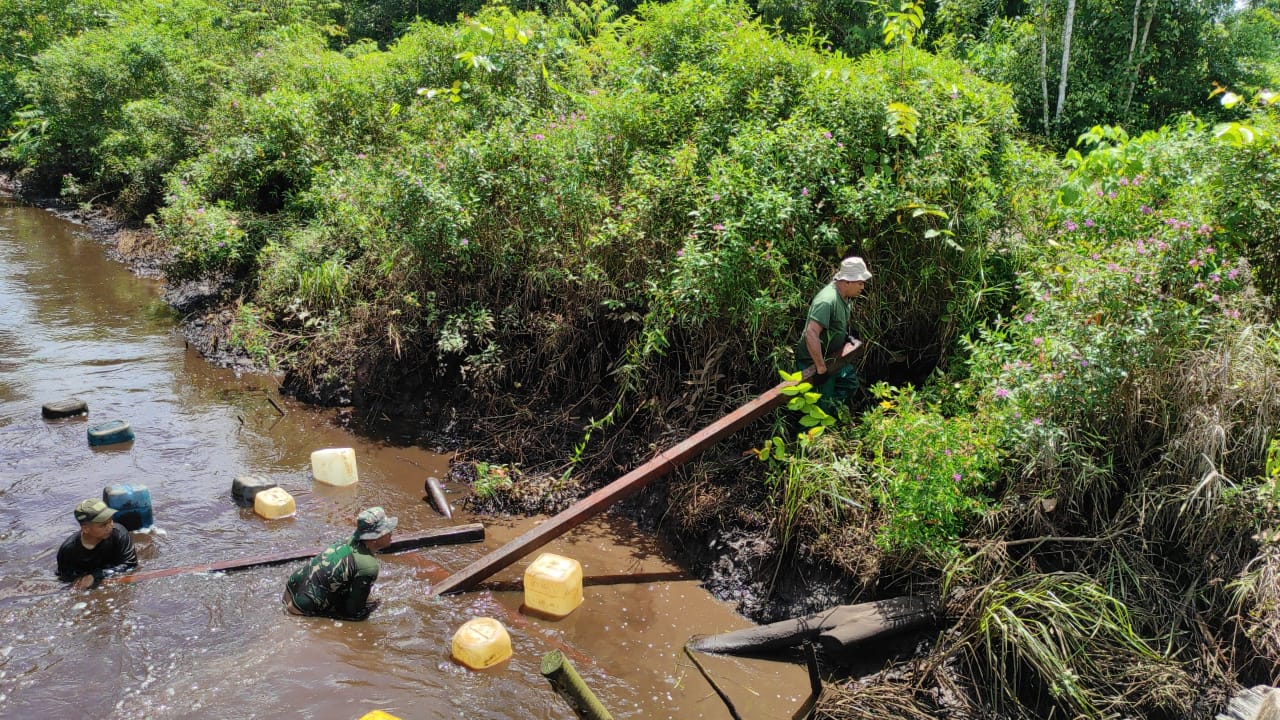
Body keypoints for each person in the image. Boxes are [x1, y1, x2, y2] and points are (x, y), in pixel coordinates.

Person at [282, 506, 397, 621]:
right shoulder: (369, 566)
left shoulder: (350, 540)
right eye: (387, 530)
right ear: (374, 538)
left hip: (292, 587)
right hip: (302, 609)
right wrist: (372, 609)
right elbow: (354, 612)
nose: (391, 532)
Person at [794, 256, 872, 415]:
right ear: (847, 281)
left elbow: (832, 323)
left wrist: (843, 337)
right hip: (814, 361)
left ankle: (833, 418)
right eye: (860, 282)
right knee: (820, 407)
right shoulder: (827, 301)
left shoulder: (845, 297)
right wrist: (821, 368)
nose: (862, 286)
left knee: (849, 383)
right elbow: (811, 333)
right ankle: (815, 435)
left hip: (832, 355)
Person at [56, 499, 139, 590]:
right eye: (103, 525)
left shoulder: (119, 534)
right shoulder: (69, 550)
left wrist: (96, 575)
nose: (110, 526)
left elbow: (131, 565)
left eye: (111, 520)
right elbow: (66, 579)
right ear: (86, 529)